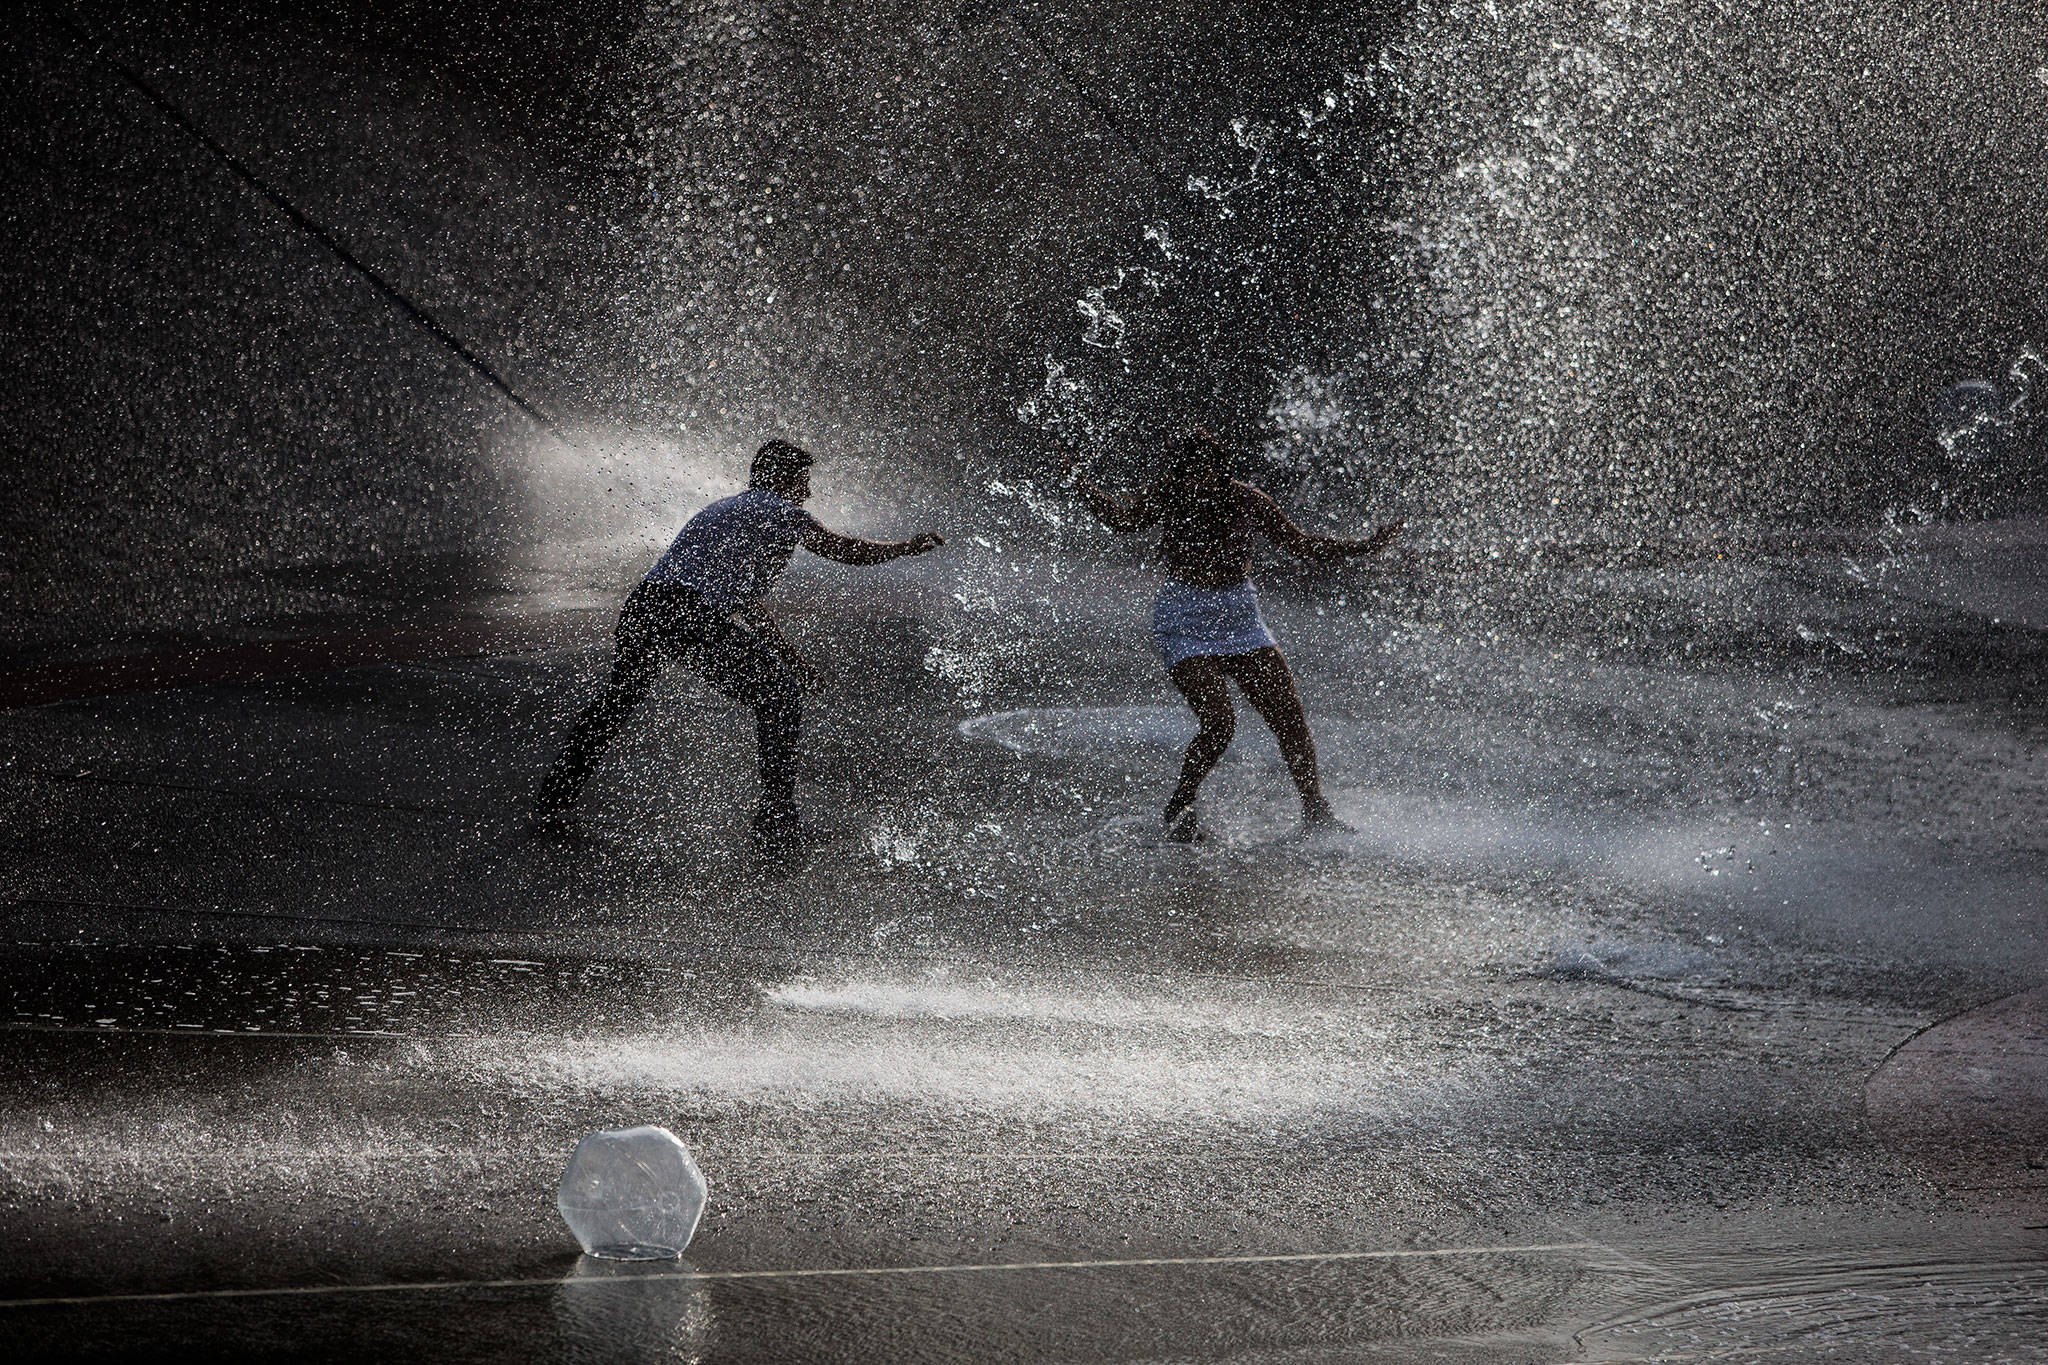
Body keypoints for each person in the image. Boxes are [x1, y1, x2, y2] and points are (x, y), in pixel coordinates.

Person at [533, 439, 946, 851]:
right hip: (686, 614)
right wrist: (905, 547)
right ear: (784, 478)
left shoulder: (725, 510)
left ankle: (554, 795)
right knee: (779, 697)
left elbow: (743, 602)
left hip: (645, 607)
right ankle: (777, 819)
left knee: (618, 702)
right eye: (803, 481)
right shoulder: (780, 511)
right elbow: (843, 550)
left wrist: (792, 660)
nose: (808, 492)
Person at [1069, 429, 1402, 842]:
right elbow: (1123, 521)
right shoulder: (1169, 495)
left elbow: (1299, 544)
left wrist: (1362, 547)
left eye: (1205, 469)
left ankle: (1316, 811)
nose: (1198, 480)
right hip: (1185, 618)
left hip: (1241, 619)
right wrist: (1082, 486)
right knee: (1219, 724)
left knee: (1290, 718)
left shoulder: (1246, 499)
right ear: (1179, 473)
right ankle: (1180, 806)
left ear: (1219, 468)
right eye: (1189, 472)